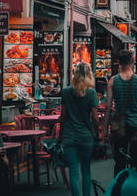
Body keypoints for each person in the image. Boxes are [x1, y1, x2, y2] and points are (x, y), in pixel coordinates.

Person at [105, 49, 137, 176]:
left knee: (119, 162)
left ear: (118, 62)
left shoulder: (113, 80)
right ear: (132, 61)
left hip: (120, 127)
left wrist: (105, 129)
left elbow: (108, 107)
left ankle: (118, 189)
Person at [59, 62, 99, 196]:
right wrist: (97, 134)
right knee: (86, 170)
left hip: (69, 136)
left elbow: (63, 117)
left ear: (75, 74)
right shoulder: (92, 93)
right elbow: (94, 118)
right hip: (86, 137)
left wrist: (60, 136)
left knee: (73, 173)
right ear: (89, 75)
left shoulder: (66, 92)